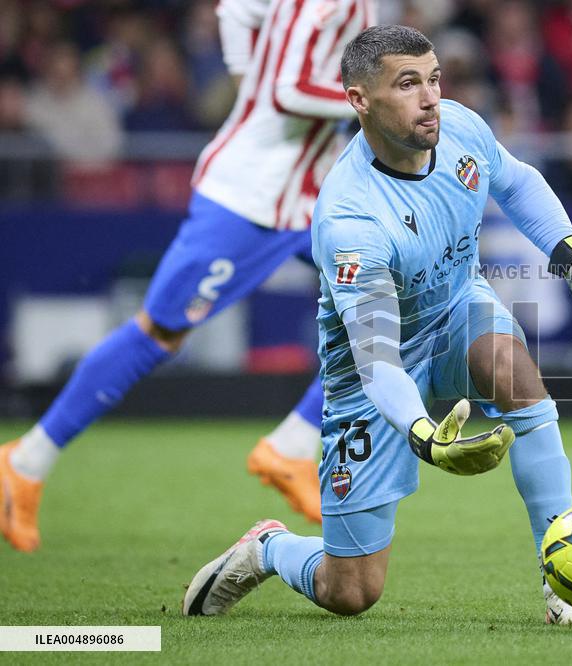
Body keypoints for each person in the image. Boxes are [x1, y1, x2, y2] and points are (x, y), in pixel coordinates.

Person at [181, 25, 572, 628]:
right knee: (351, 591)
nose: (430, 97)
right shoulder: (351, 216)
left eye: (434, 78)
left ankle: (560, 583)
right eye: (408, 84)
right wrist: (421, 432)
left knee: (519, 382)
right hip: (371, 380)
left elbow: (515, 180)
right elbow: (378, 357)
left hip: (458, 309)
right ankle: (268, 548)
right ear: (359, 100)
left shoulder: (458, 126)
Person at [0, 0, 375, 552]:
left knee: (382, 307)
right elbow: (287, 91)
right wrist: (365, 100)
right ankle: (26, 461)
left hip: (308, 198)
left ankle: (292, 447)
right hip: (247, 198)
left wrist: (252, 76)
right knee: (161, 333)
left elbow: (235, 12)